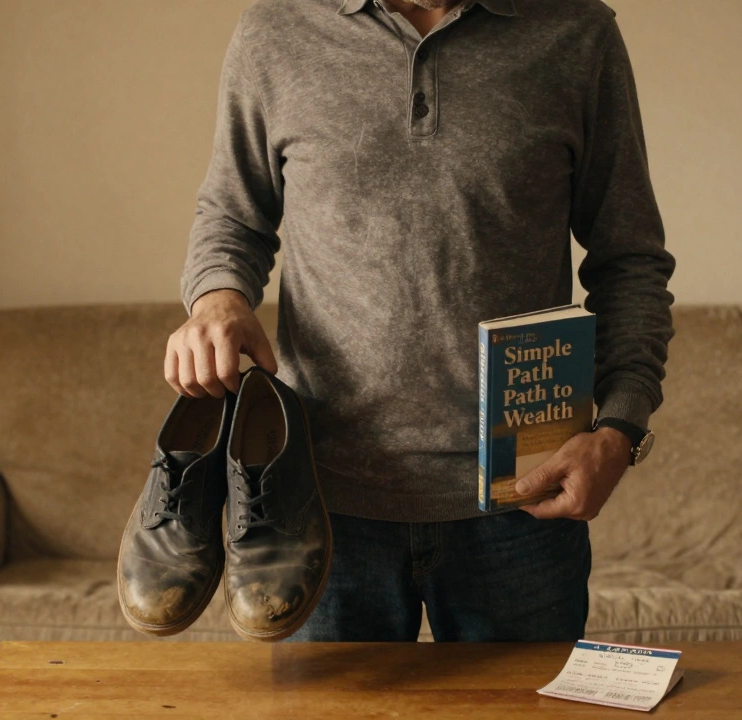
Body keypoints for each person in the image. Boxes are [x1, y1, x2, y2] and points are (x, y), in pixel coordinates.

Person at [166, 0, 675, 642]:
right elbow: (231, 217)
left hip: (523, 501)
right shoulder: (277, 29)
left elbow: (628, 258)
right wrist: (217, 297)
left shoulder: (577, 32)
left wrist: (621, 429)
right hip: (317, 503)